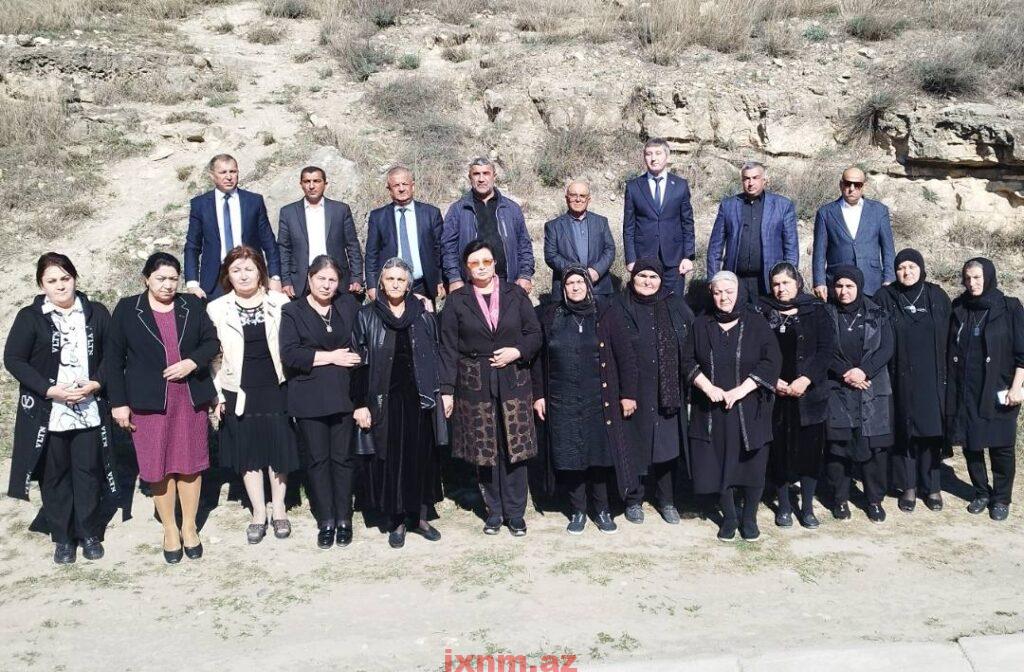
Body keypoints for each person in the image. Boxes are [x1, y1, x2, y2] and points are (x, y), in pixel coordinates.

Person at [107, 252, 220, 563]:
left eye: (173, 279)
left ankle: (189, 526)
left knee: (190, 463)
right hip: (148, 402)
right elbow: (113, 360)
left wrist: (191, 362)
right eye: (161, 278)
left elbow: (211, 342)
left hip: (189, 397)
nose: (168, 285)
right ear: (146, 278)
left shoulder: (191, 305)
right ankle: (170, 528)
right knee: (157, 466)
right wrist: (119, 403)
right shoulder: (128, 309)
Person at [4, 253, 117, 564]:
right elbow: (14, 359)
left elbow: (112, 354)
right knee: (54, 474)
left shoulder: (96, 312)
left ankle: (88, 531)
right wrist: (48, 389)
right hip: (50, 410)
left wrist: (96, 383)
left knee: (87, 471)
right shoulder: (30, 317)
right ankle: (63, 537)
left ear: (75, 278)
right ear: (42, 284)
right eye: (52, 280)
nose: (60, 286)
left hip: (88, 406)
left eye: (65, 278)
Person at [439, 240, 542, 536]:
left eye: (486, 261)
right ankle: (494, 511)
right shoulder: (457, 300)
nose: (481, 267)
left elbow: (535, 334)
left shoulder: (515, 294)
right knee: (485, 449)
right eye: (475, 263)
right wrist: (446, 390)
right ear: (467, 268)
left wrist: (517, 351)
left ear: (495, 263)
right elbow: (448, 347)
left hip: (513, 378)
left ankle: (516, 513)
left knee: (515, 446)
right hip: (475, 382)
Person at [533, 265, 638, 535]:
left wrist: (628, 394)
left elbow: (625, 356)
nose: (575, 287)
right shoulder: (551, 316)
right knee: (571, 457)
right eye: (570, 283)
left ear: (589, 286)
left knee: (598, 456)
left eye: (580, 282)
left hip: (599, 398)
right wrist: (539, 395)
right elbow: (539, 360)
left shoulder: (605, 313)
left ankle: (602, 509)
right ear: (563, 288)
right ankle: (578, 510)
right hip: (562, 399)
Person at [351, 258, 445, 548]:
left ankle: (420, 516)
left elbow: (436, 354)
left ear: (408, 285)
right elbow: (358, 362)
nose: (394, 284)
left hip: (420, 399)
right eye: (390, 278)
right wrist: (360, 403)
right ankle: (398, 520)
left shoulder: (423, 314)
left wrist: (443, 393)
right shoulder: (367, 315)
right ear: (381, 282)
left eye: (400, 279)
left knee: (420, 457)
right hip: (384, 401)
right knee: (392, 460)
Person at [207, 246, 298, 544]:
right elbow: (214, 358)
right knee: (248, 449)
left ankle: (279, 508)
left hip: (276, 384)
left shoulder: (280, 302)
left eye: (249, 269)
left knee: (278, 446)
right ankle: (258, 511)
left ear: (260, 272)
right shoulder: (217, 308)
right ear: (227, 275)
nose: (243, 275)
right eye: (236, 270)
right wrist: (218, 395)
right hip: (238, 388)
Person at [685, 271, 781, 541]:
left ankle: (749, 518)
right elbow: (687, 360)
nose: (723, 297)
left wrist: (741, 390)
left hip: (749, 407)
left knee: (752, 465)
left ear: (738, 292)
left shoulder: (756, 322)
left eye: (729, 292)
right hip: (713, 409)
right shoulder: (701, 324)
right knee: (719, 463)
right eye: (718, 292)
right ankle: (729, 517)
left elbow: (771, 360)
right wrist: (709, 388)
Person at [279, 255, 363, 548]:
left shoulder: (348, 305)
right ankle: (326, 519)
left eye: (332, 280)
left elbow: (361, 339)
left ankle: (344, 518)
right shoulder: (292, 311)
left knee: (343, 459)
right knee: (317, 460)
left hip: (343, 393)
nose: (326, 285)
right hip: (309, 396)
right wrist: (331, 357)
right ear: (309, 278)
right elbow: (290, 354)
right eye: (321, 279)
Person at [614, 260, 694, 525]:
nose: (648, 281)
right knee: (633, 444)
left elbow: (692, 337)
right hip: (632, 389)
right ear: (633, 277)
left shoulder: (674, 304)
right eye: (642, 275)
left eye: (653, 277)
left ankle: (666, 499)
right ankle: (633, 499)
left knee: (666, 446)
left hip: (667, 389)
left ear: (661, 279)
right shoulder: (619, 305)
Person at [757, 262, 834, 529]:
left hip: (809, 394)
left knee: (809, 452)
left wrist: (806, 379)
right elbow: (756, 351)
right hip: (776, 395)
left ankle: (808, 507)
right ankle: (784, 506)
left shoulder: (816, 309)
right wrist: (772, 380)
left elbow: (826, 349)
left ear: (798, 283)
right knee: (779, 451)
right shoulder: (762, 310)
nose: (781, 289)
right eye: (776, 284)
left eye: (786, 283)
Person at [946, 258, 1024, 521]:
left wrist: (1017, 387)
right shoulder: (959, 307)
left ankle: (1001, 498)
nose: (972, 283)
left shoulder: (1009, 307)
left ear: (988, 277)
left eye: (977, 277)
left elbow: (1022, 353)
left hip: (999, 387)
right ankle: (981, 492)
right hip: (966, 389)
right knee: (971, 445)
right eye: (968, 278)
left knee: (1001, 447)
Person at [876, 249, 951, 513]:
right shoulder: (885, 296)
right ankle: (907, 486)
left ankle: (932, 486)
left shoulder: (936, 296)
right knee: (904, 432)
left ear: (921, 268)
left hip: (932, 377)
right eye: (901, 268)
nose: (906, 272)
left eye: (911, 267)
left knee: (931, 433)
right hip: (898, 377)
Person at [823, 265, 894, 523]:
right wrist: (845, 372)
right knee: (838, 447)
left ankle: (874, 500)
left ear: (859, 286)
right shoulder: (826, 313)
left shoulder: (877, 312)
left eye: (849, 286)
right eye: (839, 286)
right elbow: (822, 348)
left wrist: (864, 371)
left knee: (874, 448)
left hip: (871, 388)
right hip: (838, 388)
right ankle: (840, 499)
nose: (844, 291)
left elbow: (887, 347)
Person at [184, 154, 282, 299]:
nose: (229, 177)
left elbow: (269, 242)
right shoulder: (200, 204)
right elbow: (192, 246)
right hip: (215, 279)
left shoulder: (253, 201)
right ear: (212, 176)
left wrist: (275, 277)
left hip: (250, 274)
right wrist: (192, 283)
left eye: (233, 171)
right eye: (223, 172)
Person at [706, 162, 799, 303]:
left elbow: (791, 247)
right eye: (746, 179)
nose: (750, 183)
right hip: (736, 281)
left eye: (755, 178)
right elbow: (715, 247)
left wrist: (789, 279)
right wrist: (713, 278)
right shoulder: (728, 206)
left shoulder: (783, 205)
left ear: (764, 180)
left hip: (769, 282)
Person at [442, 157, 534, 293]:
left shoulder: (511, 208)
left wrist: (525, 275)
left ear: (494, 176)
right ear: (470, 178)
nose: (481, 179)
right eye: (476, 174)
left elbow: (524, 245)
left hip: (508, 283)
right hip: (471, 285)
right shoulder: (458, 210)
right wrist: (454, 279)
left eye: (486, 173)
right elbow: (448, 248)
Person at [277, 165, 364, 298]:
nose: (312, 186)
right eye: (307, 181)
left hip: (336, 279)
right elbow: (283, 249)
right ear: (301, 184)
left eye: (316, 181)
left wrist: (356, 277)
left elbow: (352, 245)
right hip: (301, 281)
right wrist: (286, 280)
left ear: (325, 184)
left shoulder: (340, 210)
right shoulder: (288, 212)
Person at [622, 138, 695, 295]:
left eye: (658, 153)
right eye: (648, 154)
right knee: (645, 304)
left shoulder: (680, 185)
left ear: (667, 156)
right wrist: (631, 259)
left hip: (674, 260)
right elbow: (629, 227)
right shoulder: (634, 187)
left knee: (674, 303)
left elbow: (687, 223)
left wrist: (688, 256)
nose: (653, 158)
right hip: (644, 259)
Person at [812, 166, 895, 300]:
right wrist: (819, 281)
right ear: (841, 184)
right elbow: (819, 252)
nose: (851, 188)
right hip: (839, 285)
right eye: (847, 183)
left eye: (857, 185)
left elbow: (888, 249)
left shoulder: (879, 211)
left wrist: (889, 279)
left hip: (872, 283)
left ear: (863, 186)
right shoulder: (825, 213)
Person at [364, 166, 445, 303]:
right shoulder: (378, 217)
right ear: (389, 189)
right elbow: (372, 254)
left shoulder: (431, 213)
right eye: (396, 185)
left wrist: (440, 279)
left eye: (405, 184)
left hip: (423, 284)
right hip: (391, 286)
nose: (401, 189)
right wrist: (372, 285)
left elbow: (440, 250)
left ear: (412, 186)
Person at [543, 180, 616, 300]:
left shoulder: (601, 222)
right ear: (567, 198)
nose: (578, 199)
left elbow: (610, 249)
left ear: (588, 199)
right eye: (573, 195)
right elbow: (551, 256)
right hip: (568, 289)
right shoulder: (553, 226)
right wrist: (577, 272)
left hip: (598, 288)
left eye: (582, 196)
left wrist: (597, 271)